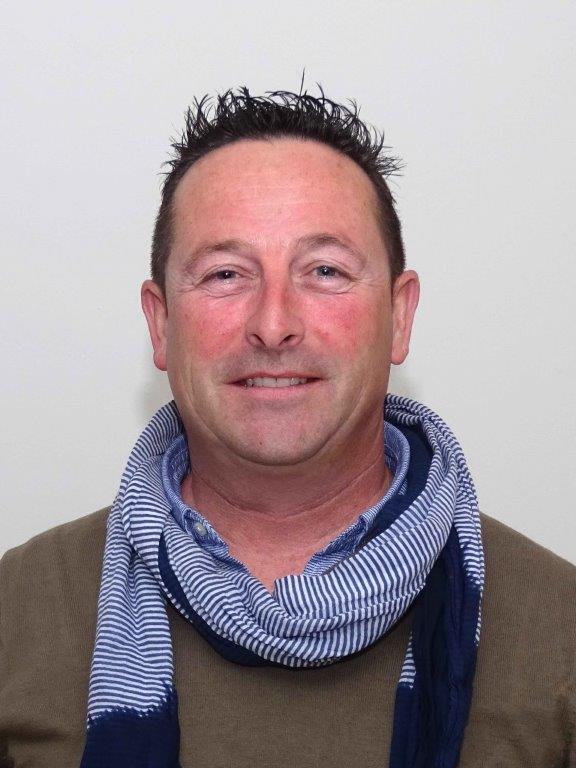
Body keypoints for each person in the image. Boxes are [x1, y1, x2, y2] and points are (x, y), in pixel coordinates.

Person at [0, 87, 574, 768]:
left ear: (400, 317)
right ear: (160, 324)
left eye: (325, 270)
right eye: (225, 274)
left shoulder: (559, 632)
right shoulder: (18, 610)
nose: (273, 324)